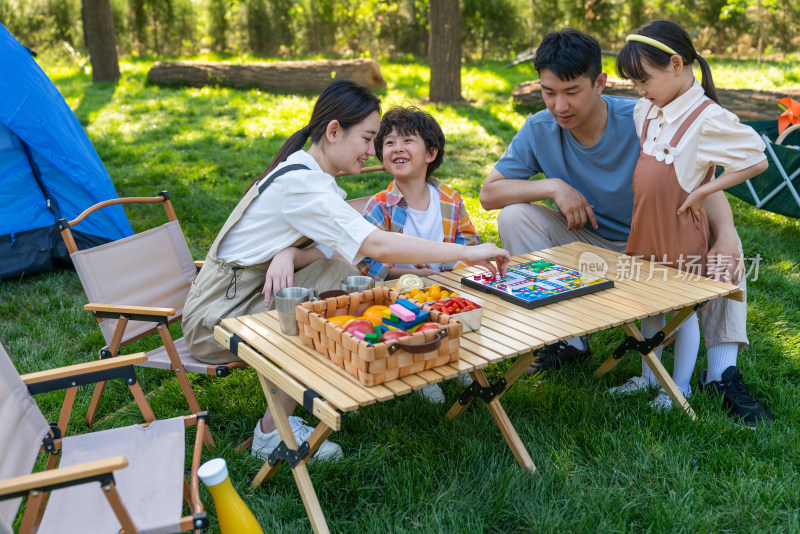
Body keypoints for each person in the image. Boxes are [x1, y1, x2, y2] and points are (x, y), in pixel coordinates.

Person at [182, 80, 511, 462]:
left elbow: (334, 250)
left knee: (341, 276)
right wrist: (466, 253)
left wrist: (288, 252)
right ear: (334, 131)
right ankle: (271, 434)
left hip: (242, 297)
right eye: (369, 139)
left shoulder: (311, 179)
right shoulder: (303, 185)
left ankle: (365, 370)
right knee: (329, 299)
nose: (373, 151)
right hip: (215, 321)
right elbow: (378, 245)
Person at [479, 29, 772, 426]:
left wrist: (728, 236)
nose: (559, 106)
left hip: (653, 240)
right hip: (588, 247)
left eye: (571, 91)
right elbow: (489, 194)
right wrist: (553, 186)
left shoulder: (644, 115)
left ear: (600, 83)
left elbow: (699, 181)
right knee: (514, 215)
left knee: (721, 256)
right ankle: (569, 337)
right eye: (549, 92)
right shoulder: (539, 128)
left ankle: (722, 373)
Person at [607, 20, 768, 410]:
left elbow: (756, 158)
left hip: (679, 230)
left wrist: (705, 189)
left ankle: (678, 387)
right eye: (634, 84)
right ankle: (649, 377)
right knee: (647, 304)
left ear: (676, 65)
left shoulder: (707, 118)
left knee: (685, 310)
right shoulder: (646, 110)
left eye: (644, 80)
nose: (640, 91)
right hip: (646, 224)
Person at [357, 105, 480, 403]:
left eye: (408, 140)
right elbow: (365, 262)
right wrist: (409, 272)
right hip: (401, 293)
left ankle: (454, 356)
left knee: (464, 309)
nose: (397, 148)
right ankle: (419, 370)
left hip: (447, 287)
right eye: (389, 143)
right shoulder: (380, 205)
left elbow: (470, 245)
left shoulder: (450, 199)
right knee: (408, 317)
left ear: (430, 153)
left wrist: (447, 271)